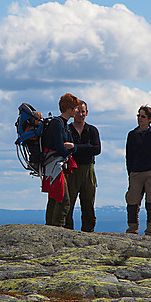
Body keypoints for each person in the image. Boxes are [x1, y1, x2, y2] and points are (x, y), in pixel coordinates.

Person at [125, 105, 151, 236]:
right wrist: (130, 172)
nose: (139, 118)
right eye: (138, 115)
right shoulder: (132, 135)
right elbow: (129, 156)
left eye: (142, 116)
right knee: (132, 202)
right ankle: (132, 229)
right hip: (136, 173)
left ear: (150, 119)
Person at [42, 93, 81, 227]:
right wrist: (70, 148)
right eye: (75, 108)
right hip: (55, 165)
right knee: (63, 200)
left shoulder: (62, 124)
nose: (76, 110)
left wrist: (71, 148)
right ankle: (57, 228)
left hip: (55, 165)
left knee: (54, 198)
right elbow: (61, 148)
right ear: (69, 108)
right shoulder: (58, 124)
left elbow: (72, 147)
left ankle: (50, 227)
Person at [65, 100, 101, 232]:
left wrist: (75, 147)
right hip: (71, 169)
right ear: (73, 112)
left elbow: (97, 149)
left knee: (88, 203)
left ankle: (88, 231)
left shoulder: (92, 130)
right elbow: (64, 148)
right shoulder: (67, 129)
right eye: (78, 111)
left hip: (88, 169)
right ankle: (67, 231)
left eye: (83, 111)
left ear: (87, 113)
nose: (80, 114)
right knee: (68, 203)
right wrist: (86, 148)